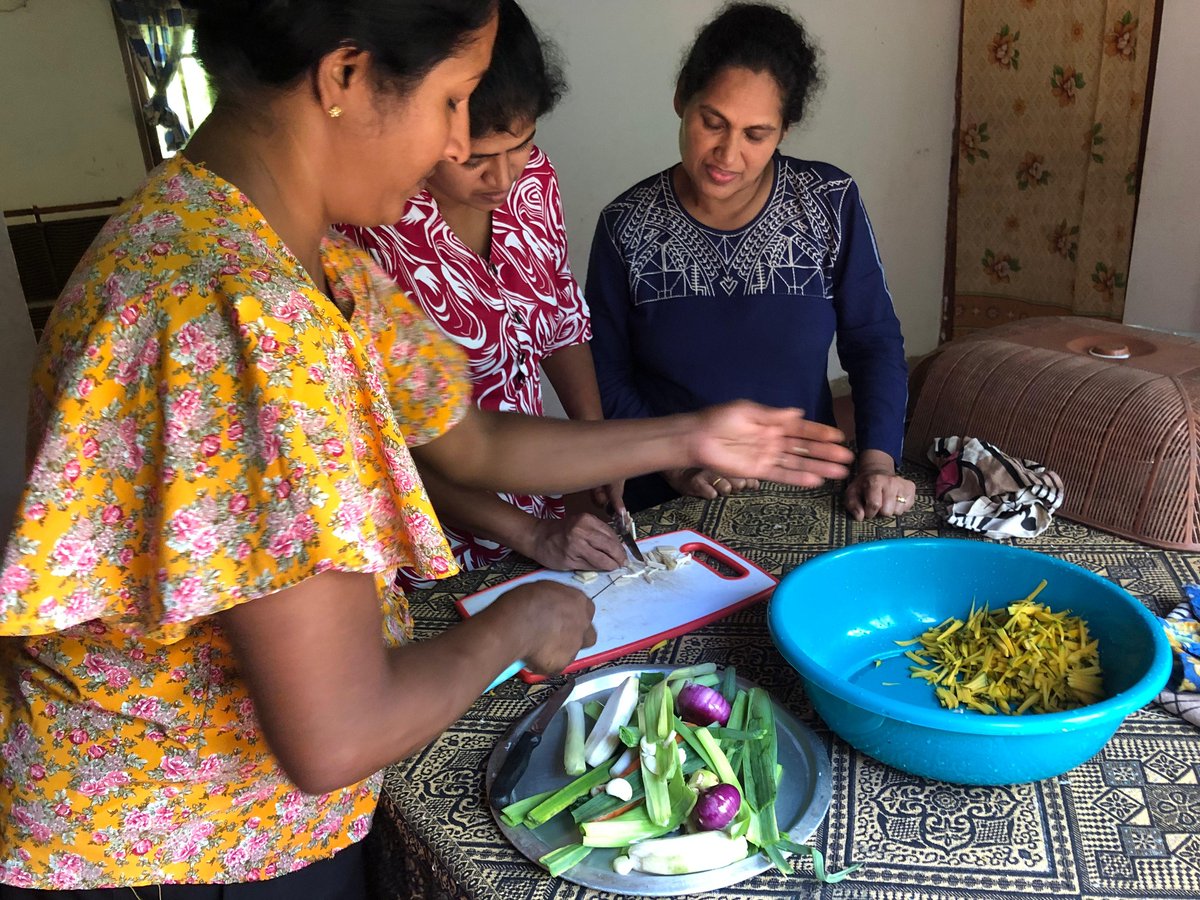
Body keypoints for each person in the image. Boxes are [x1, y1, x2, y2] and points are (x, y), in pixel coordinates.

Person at [0, 1, 853, 894]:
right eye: (452, 101)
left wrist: (689, 432)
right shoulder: (241, 318)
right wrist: (519, 621)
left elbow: (473, 440)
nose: (458, 145)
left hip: (223, 818)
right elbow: (337, 734)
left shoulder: (280, 248)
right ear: (344, 78)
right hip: (184, 840)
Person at [587, 2, 914, 521]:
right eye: (712, 122)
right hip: (670, 501)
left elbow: (872, 340)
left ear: (784, 129)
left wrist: (877, 461)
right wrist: (673, 463)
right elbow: (603, 370)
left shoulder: (828, 202)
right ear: (680, 100)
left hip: (805, 490)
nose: (727, 154)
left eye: (755, 134)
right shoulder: (626, 225)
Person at [339, 0, 625, 579]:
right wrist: (532, 532)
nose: (504, 176)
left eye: (521, 144)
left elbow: (560, 321)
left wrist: (595, 450)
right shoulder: (369, 226)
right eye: (477, 158)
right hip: (433, 541)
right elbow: (391, 443)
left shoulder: (534, 182)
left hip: (537, 509)